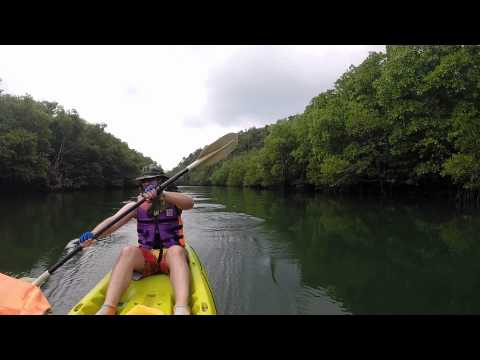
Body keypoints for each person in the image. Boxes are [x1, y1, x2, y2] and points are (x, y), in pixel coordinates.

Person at [78, 166, 194, 315]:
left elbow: (190, 203)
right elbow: (113, 222)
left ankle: (181, 307)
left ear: (161, 181)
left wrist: (163, 194)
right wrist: (93, 234)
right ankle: (108, 308)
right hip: (147, 260)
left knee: (177, 251)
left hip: (171, 258)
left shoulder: (173, 200)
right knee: (128, 251)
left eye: (151, 180)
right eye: (144, 181)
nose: (147, 183)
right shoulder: (135, 206)